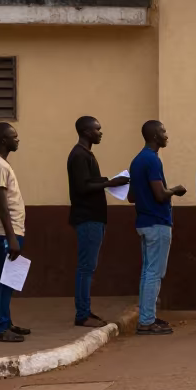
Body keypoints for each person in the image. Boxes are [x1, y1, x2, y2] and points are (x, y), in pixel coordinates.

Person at [67, 116, 129, 328]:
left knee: (88, 267)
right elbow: (82, 187)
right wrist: (111, 182)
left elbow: (89, 182)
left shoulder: (86, 155)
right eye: (97, 129)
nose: (100, 132)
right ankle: (82, 314)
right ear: (86, 132)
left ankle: (85, 310)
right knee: (86, 268)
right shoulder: (78, 156)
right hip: (87, 218)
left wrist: (107, 181)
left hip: (94, 218)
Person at [129, 120, 186, 335]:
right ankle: (146, 321)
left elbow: (131, 197)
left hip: (143, 222)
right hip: (157, 222)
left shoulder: (137, 161)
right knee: (154, 273)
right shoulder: (152, 160)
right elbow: (160, 194)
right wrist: (176, 190)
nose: (166, 134)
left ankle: (148, 315)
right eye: (163, 131)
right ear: (154, 136)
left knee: (148, 272)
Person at [0, 122, 29, 342]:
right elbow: (2, 204)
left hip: (10, 230)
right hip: (3, 232)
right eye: (14, 136)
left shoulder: (2, 164)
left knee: (9, 279)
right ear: (3, 140)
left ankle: (6, 322)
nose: (17, 139)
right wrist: (11, 237)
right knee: (2, 280)